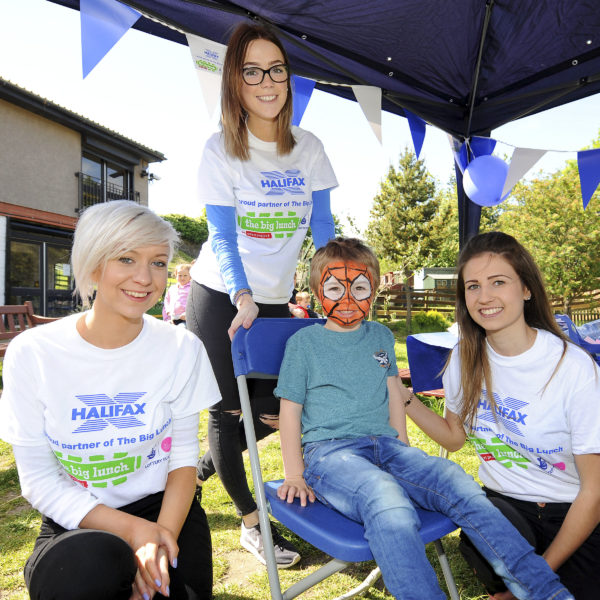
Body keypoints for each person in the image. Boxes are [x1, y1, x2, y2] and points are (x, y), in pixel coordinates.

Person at [274, 237, 574, 600]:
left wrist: (404, 452)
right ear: (316, 290)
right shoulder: (304, 344)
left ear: (375, 288)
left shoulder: (381, 336)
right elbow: (289, 412)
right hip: (329, 455)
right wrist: (294, 473)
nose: (347, 298)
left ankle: (544, 591)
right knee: (384, 496)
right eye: (335, 287)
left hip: (385, 447)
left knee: (453, 479)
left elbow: (392, 397)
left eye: (360, 287)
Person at [0, 200, 221, 600]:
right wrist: (134, 532)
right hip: (79, 515)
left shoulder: (181, 348)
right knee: (83, 574)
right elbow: (39, 481)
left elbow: (184, 458)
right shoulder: (33, 353)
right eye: (126, 258)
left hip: (165, 507)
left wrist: (159, 539)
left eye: (158, 262)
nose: (145, 277)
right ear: (93, 265)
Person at [187, 22, 337, 568]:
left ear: (287, 77)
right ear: (235, 80)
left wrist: (333, 293)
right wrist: (242, 294)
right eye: (252, 70)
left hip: (275, 299)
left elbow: (324, 228)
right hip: (220, 294)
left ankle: (202, 467)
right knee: (230, 414)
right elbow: (222, 236)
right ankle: (253, 523)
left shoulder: (309, 148)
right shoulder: (220, 150)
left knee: (277, 409)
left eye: (276, 68)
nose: (267, 80)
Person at [404, 231, 600, 600]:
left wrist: (535, 575)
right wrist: (405, 401)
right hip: (501, 510)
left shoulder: (574, 368)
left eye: (499, 282)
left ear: (526, 289)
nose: (485, 297)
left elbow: (594, 491)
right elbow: (454, 437)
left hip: (573, 514)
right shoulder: (463, 359)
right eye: (473, 286)